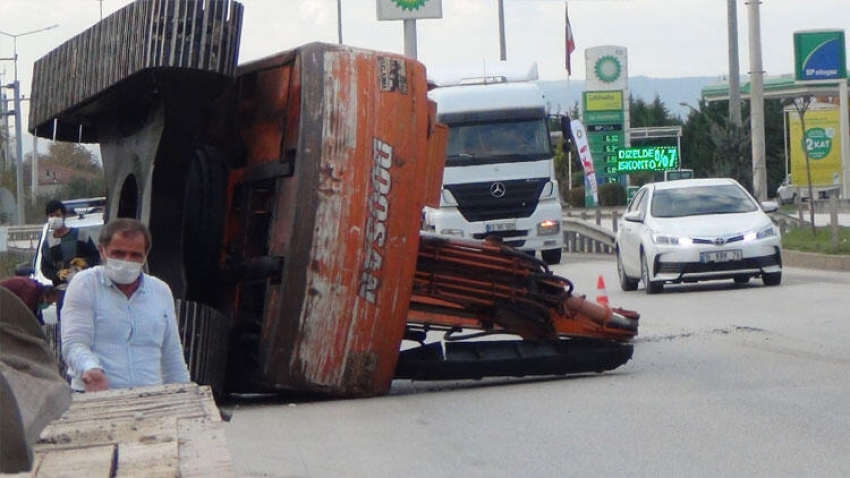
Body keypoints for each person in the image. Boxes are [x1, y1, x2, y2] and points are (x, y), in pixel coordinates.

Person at [61, 218, 190, 393]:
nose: (126, 260)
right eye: (118, 253)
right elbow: (74, 343)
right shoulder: (84, 285)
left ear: (145, 257)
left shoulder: (161, 291)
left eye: (135, 255)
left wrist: (185, 396)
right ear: (102, 251)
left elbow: (172, 355)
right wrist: (91, 368)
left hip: (150, 400)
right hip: (96, 398)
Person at [40, 199, 100, 318]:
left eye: (57, 215)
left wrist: (85, 262)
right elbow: (45, 268)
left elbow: (96, 257)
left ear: (64, 216)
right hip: (62, 291)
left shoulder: (80, 235)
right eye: (51, 216)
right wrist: (57, 273)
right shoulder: (47, 243)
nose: (54, 218)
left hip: (84, 288)